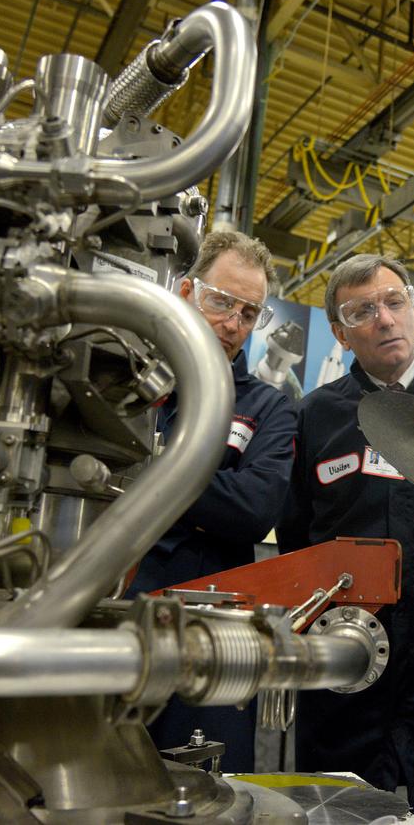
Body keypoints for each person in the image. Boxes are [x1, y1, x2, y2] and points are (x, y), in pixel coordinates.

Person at [276, 254, 414, 813]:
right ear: (340, 334)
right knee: (334, 803)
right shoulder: (317, 417)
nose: (384, 319)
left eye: (395, 302)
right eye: (363, 311)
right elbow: (297, 532)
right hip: (347, 660)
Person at [129, 229, 297, 772]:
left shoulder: (268, 408)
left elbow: (254, 509)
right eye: (220, 301)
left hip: (210, 632)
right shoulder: (130, 387)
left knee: (205, 787)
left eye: (249, 312)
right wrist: (205, 491)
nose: (233, 323)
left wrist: (142, 473)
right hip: (108, 616)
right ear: (184, 292)